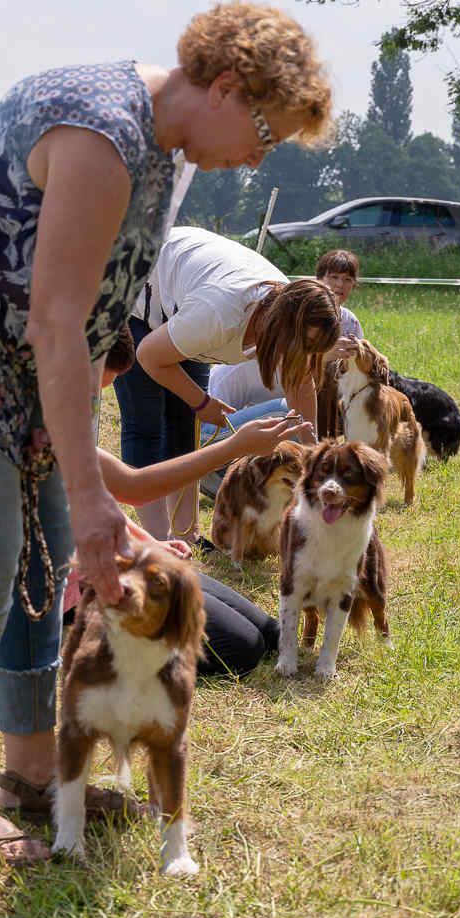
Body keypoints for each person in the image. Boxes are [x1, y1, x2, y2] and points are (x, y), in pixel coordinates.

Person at [0, 1, 332, 864]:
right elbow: (57, 320)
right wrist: (88, 488)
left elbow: (89, 312)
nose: (259, 156)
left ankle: (31, 773)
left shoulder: (164, 148)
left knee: (44, 563)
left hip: (23, 361)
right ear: (224, 86)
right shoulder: (103, 134)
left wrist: (73, 466)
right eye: (265, 131)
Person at [64, 326, 309, 680]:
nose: (92, 398)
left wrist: (149, 545)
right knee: (241, 652)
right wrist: (234, 446)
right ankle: (100, 637)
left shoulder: (68, 422)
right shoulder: (39, 426)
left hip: (124, 559)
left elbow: (103, 498)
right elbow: (134, 487)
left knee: (271, 634)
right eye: (93, 386)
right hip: (87, 584)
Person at [113, 227, 341, 541]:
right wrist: (202, 403)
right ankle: (157, 541)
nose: (302, 356)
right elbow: (149, 356)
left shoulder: (299, 313)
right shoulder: (219, 316)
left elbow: (300, 385)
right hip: (138, 286)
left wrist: (313, 453)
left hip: (188, 296)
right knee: (146, 421)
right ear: (280, 326)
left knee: (184, 425)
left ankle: (185, 535)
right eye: (303, 346)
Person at [200, 249, 363, 495]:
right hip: (209, 432)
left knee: (303, 412)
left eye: (347, 279)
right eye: (334, 277)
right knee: (288, 413)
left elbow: (312, 391)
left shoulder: (343, 323)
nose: (340, 285)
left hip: (247, 428)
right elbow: (298, 404)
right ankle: (211, 470)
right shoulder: (274, 338)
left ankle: (224, 475)